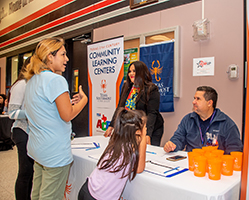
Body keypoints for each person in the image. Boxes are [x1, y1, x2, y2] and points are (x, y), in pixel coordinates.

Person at [23, 37, 88, 200]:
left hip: (38, 149)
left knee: (37, 193)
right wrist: (84, 102)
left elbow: (44, 110)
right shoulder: (56, 80)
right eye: (63, 54)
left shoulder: (32, 80)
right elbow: (67, 115)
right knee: (50, 196)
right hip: (54, 153)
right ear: (50, 57)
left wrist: (68, 104)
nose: (67, 59)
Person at [78, 108, 147, 200]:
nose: (146, 129)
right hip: (98, 197)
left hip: (87, 190)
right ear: (137, 132)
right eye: (145, 127)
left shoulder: (117, 142)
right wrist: (143, 139)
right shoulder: (128, 149)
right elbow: (139, 168)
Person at [164, 86, 243, 154]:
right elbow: (178, 139)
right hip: (191, 164)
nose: (193, 102)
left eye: (198, 99)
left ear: (209, 103)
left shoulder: (227, 124)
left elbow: (235, 151)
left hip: (214, 166)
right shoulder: (188, 120)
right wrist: (172, 145)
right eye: (194, 98)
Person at [104, 61, 164, 146]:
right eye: (129, 71)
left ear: (141, 72)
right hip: (132, 128)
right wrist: (112, 126)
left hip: (151, 128)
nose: (131, 73)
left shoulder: (152, 89)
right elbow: (120, 108)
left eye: (134, 71)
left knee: (148, 154)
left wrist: (147, 134)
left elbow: (152, 113)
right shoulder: (126, 87)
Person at [8, 56, 34, 200]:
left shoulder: (33, 84)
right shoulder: (21, 84)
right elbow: (12, 113)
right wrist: (34, 113)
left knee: (30, 173)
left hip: (32, 133)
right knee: (25, 172)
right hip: (22, 132)